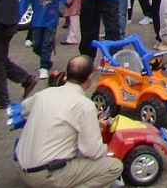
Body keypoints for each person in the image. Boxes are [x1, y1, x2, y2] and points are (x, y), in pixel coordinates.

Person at [16, 55, 123, 188]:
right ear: (90, 77)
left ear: (67, 74)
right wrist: (109, 149)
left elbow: (25, 109)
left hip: (23, 169)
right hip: (47, 175)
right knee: (114, 166)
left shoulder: (45, 94)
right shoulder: (85, 105)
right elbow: (92, 151)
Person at [19, 0, 72, 80]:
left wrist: (67, 0)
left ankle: (44, 67)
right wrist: (18, 16)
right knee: (37, 45)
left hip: (51, 18)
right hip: (37, 19)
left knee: (47, 44)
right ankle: (46, 61)